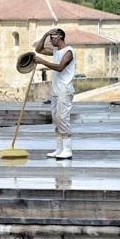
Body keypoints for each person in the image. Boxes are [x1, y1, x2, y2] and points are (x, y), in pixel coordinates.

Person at [34, 28, 75, 159]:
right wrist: (45, 34)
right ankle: (59, 149)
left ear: (60, 37)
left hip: (64, 90)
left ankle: (68, 150)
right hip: (56, 90)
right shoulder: (56, 51)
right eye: (50, 38)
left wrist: (43, 62)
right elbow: (38, 50)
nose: (51, 40)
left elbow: (60, 67)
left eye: (53, 37)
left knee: (63, 118)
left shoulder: (68, 52)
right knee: (56, 119)